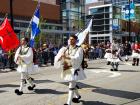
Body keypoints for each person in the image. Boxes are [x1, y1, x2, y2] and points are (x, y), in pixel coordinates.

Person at [54, 35, 86, 105]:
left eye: (72, 39)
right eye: (70, 39)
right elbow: (58, 56)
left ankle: (68, 103)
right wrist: (59, 59)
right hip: (67, 68)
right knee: (72, 84)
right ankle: (78, 96)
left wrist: (67, 57)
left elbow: (78, 58)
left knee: (71, 85)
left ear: (76, 40)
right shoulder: (65, 48)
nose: (70, 40)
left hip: (75, 69)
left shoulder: (79, 49)